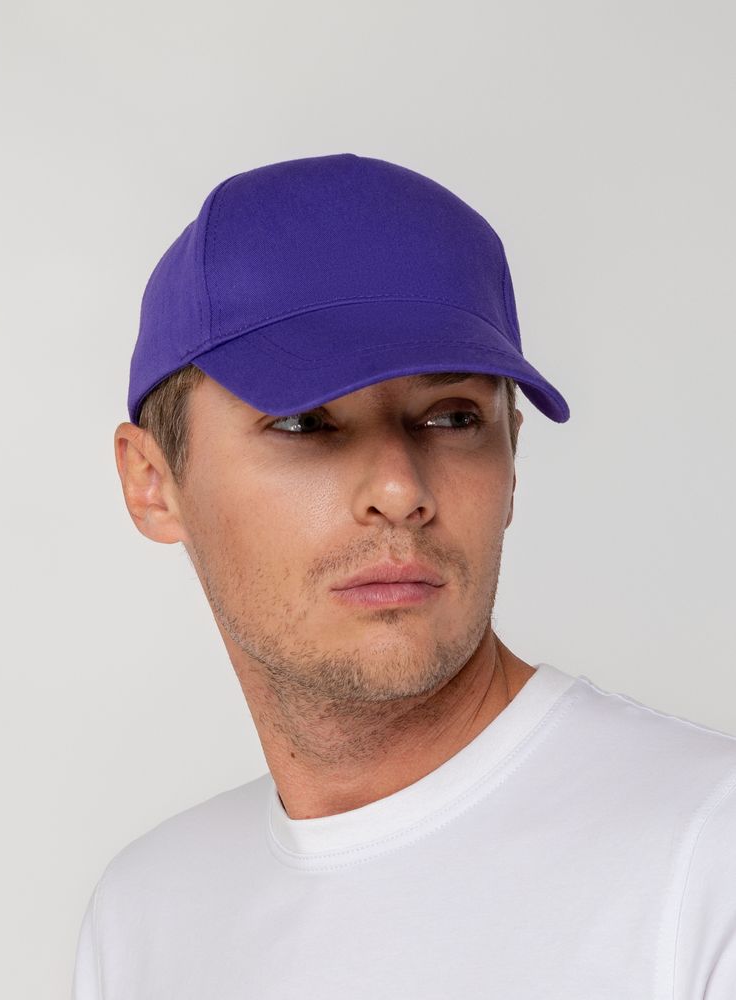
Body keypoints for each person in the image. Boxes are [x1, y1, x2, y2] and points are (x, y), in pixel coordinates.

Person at [72, 153, 736, 998]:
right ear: (151, 481)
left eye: (452, 418)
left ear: (512, 456)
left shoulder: (706, 862)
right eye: (305, 423)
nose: (399, 490)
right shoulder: (146, 917)